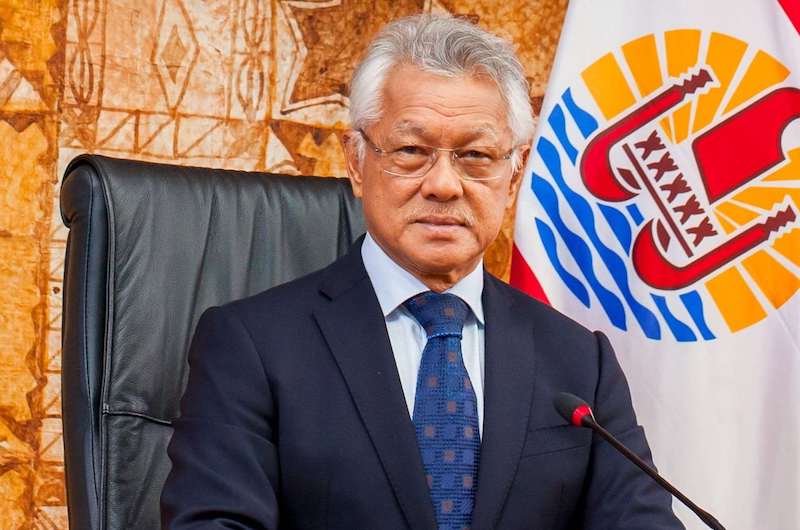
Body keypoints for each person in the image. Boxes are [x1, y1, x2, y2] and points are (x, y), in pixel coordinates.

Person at [161, 14, 685, 530]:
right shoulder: (252, 345)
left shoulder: (580, 362)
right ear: (356, 161)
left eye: (475, 155)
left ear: (513, 175)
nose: (444, 185)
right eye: (412, 151)